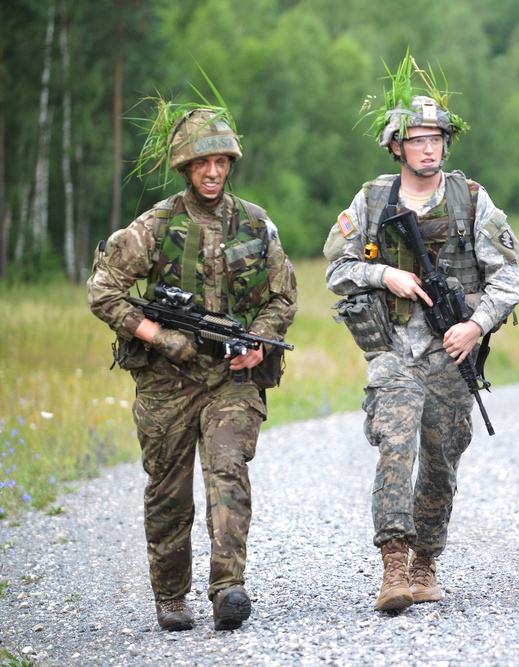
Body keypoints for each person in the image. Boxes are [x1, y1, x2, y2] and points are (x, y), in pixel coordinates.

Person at [324, 56, 519, 613]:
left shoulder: (471, 200)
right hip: (392, 349)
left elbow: (511, 278)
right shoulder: (371, 202)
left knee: (442, 459)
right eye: (416, 140)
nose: (428, 149)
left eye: (436, 139)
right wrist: (382, 273)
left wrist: (474, 325)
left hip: (450, 352)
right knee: (396, 443)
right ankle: (393, 561)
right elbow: (336, 271)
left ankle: (426, 560)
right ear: (396, 146)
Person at [87, 103, 298, 630]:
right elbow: (103, 291)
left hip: (231, 378)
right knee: (168, 490)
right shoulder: (156, 226)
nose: (212, 172)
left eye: (221, 162)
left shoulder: (253, 223)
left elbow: (284, 296)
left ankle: (228, 587)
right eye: (202, 163)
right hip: (165, 383)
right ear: (185, 167)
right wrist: (157, 336)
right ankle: (171, 596)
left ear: (231, 165)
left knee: (228, 473)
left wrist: (260, 343)